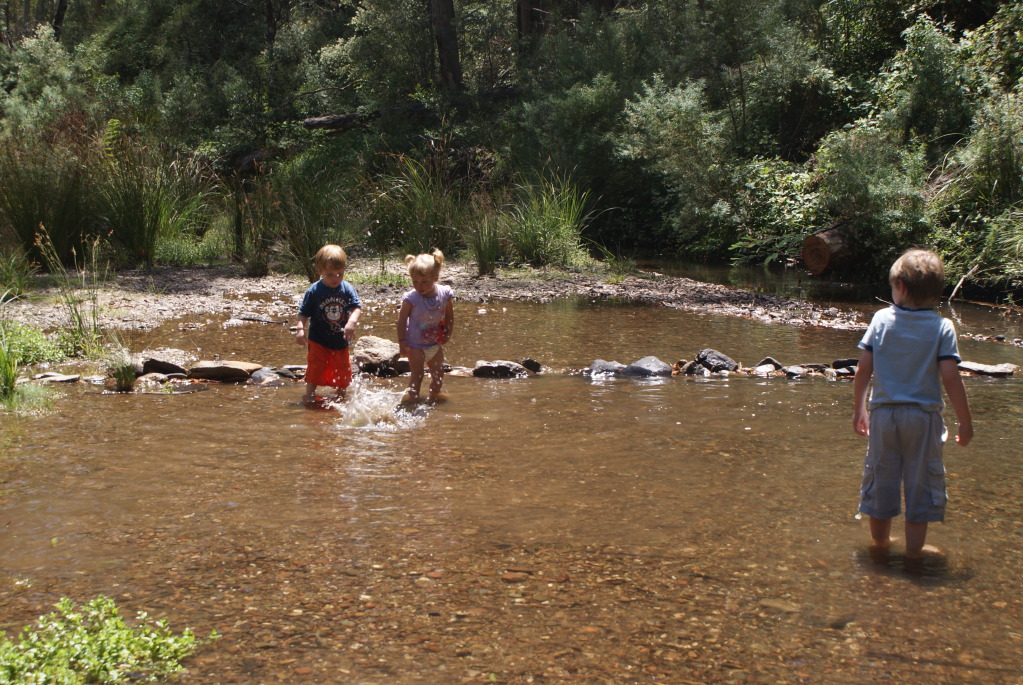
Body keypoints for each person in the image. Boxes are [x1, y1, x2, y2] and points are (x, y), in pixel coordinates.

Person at [852, 248, 973, 564]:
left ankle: (880, 544)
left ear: (900, 287)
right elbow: (950, 376)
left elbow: (864, 368)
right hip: (922, 418)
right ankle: (914, 551)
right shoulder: (942, 327)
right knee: (921, 484)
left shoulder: (881, 319)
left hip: (882, 415)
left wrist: (859, 409)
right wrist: (965, 421)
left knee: (881, 479)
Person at [294, 244, 361, 403]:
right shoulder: (315, 291)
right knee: (315, 367)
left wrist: (351, 322)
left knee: (343, 369)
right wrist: (299, 329)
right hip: (318, 339)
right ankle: (309, 394)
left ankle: (341, 395)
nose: (335, 279)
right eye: (330, 274)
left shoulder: (347, 289)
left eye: (340, 274)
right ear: (320, 271)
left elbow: (356, 308)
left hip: (340, 340)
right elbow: (303, 313)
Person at [396, 248, 455, 402]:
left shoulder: (444, 294)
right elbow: (401, 320)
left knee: (438, 374)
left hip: (435, 343)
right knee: (417, 375)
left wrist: (448, 332)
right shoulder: (411, 298)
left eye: (424, 282)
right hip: (415, 345)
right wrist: (402, 342)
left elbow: (449, 314)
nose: (419, 285)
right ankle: (413, 400)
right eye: (415, 281)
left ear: (435, 278)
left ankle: (434, 398)